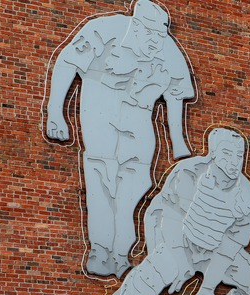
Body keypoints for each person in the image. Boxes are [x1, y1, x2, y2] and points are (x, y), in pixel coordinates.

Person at [86, 128, 250, 295]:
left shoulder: (248, 198)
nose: (234, 161)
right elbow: (166, 216)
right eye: (227, 153)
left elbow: (230, 246)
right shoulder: (188, 172)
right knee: (155, 271)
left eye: (239, 155)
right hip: (178, 238)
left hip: (215, 250)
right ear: (213, 153)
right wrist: (176, 258)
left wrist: (207, 290)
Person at [45, 0, 195, 278]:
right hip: (101, 109)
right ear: (136, 26)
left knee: (136, 184)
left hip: (139, 118)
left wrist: (178, 142)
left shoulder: (167, 48)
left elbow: (176, 94)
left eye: (160, 36)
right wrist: (55, 113)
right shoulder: (104, 29)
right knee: (102, 175)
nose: (155, 41)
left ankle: (120, 252)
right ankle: (100, 250)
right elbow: (67, 62)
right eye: (150, 34)